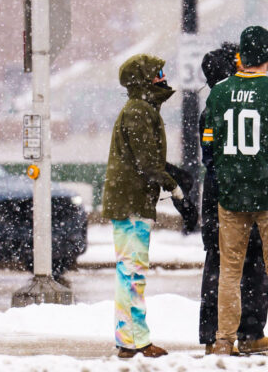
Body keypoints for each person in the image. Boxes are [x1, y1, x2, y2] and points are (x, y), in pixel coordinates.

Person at [202, 26, 268, 356]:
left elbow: (208, 151)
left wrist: (225, 180)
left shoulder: (217, 93)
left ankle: (222, 340)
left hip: (231, 196)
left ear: (241, 57)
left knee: (229, 270)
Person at [101, 53, 184, 359]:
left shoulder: (141, 109)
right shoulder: (138, 111)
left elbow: (145, 159)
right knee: (132, 272)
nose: (163, 78)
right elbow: (147, 162)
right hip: (131, 204)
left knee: (130, 271)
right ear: (145, 80)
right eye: (158, 73)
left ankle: (130, 338)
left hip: (130, 202)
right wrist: (172, 185)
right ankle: (134, 341)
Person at [199, 43, 268, 355]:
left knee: (234, 265)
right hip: (234, 199)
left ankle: (235, 334)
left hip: (227, 197)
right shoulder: (225, 110)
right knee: (239, 265)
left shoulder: (218, 109)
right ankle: (234, 334)